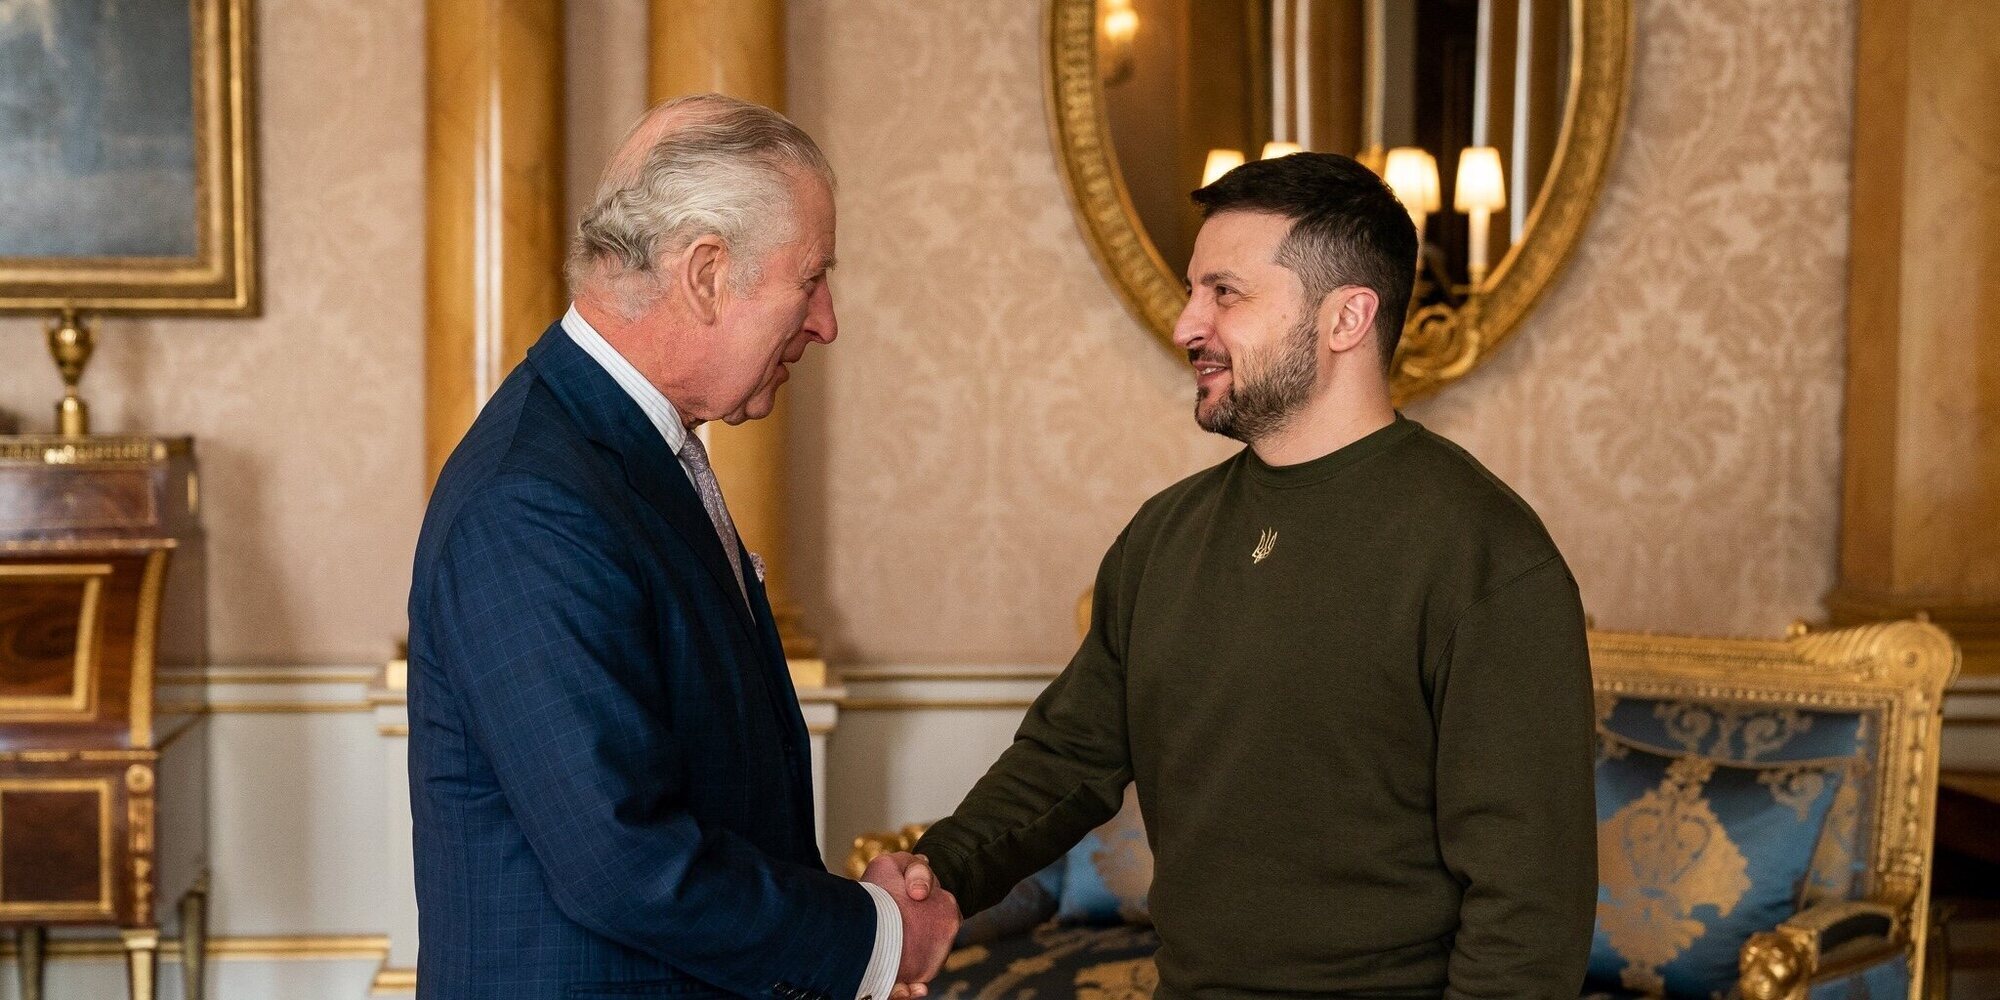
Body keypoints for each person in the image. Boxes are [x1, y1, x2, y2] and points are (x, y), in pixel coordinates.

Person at [888, 153, 1598, 999]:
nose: (1187, 323)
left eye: (1225, 293)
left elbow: (1530, 910)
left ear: (1346, 318)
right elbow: (1064, 761)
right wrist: (935, 877)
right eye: (1195, 291)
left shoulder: (1486, 553)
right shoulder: (1165, 535)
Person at [407, 94, 957, 1000]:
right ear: (706, 273)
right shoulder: (534, 498)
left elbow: (718, 799)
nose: (825, 320)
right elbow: (624, 863)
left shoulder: (626, 452)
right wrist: (873, 936)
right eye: (809, 277)